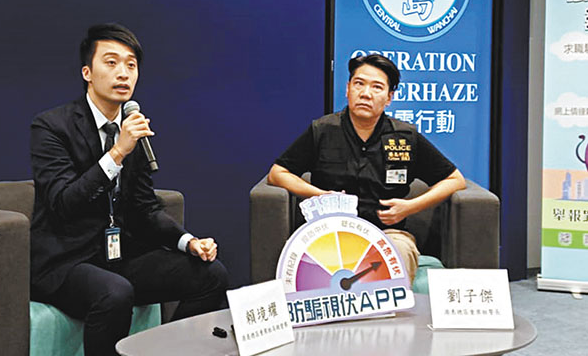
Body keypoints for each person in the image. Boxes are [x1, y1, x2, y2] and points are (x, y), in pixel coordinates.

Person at [30, 23, 228, 355]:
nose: (123, 73)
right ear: (87, 72)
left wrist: (188, 242)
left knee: (211, 275)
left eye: (131, 65)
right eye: (111, 62)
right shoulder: (51, 127)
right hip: (65, 263)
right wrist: (117, 152)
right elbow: (63, 203)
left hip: (117, 256)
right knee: (115, 293)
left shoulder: (130, 128)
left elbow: (145, 207)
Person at [266, 53, 466, 281]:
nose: (365, 93)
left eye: (377, 87)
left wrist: (410, 207)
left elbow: (455, 180)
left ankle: (390, 305)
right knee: (310, 257)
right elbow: (277, 173)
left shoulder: (404, 136)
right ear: (347, 88)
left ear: (389, 97)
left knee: (400, 251)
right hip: (330, 231)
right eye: (359, 83)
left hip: (386, 233)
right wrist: (319, 194)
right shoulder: (323, 130)